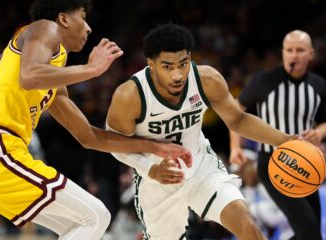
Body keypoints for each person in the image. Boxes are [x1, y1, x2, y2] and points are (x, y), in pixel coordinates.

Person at [0, 1, 192, 240]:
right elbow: (30, 75)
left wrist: (154, 146)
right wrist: (92, 69)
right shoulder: (44, 27)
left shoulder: (54, 75)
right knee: (95, 216)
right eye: (83, 17)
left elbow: (88, 136)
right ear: (64, 19)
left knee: (80, 224)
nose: (88, 28)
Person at [106, 23, 296, 240]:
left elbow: (239, 120)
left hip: (201, 168)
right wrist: (151, 169)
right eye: (167, 66)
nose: (177, 75)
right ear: (151, 64)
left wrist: (285, 140)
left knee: (248, 226)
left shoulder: (206, 80)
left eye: (183, 64)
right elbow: (115, 145)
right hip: (157, 182)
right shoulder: (130, 95)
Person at [229, 30, 326, 240]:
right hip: (274, 162)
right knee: (309, 230)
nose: (294, 55)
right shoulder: (263, 81)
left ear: (310, 54)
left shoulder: (318, 85)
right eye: (290, 50)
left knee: (312, 233)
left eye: (300, 50)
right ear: (283, 53)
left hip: (307, 162)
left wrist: (318, 132)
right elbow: (234, 114)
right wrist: (235, 147)